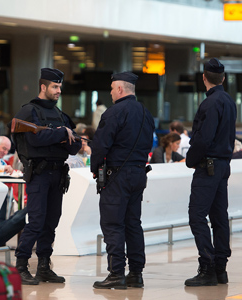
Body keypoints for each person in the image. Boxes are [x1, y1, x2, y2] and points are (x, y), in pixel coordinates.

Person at [11, 68, 81, 285]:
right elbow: (34, 140)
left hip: (57, 174)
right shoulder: (28, 112)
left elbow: (75, 145)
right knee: (36, 221)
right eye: (54, 86)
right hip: (39, 174)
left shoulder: (61, 114)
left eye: (60, 87)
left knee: (51, 222)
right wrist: (61, 134)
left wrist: (59, 135)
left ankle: (43, 266)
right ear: (43, 87)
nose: (59, 91)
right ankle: (21, 266)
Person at [90, 71, 155, 289]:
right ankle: (136, 273)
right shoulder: (146, 113)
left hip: (117, 175)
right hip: (139, 173)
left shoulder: (114, 112)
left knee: (113, 224)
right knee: (133, 223)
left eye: (111, 89)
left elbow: (100, 145)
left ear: (120, 89)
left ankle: (116, 273)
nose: (110, 93)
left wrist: (95, 168)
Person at [184, 58, 237, 287]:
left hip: (208, 167)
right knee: (219, 217)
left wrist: (190, 160)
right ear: (223, 78)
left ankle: (207, 267)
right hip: (223, 166)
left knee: (197, 216)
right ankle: (220, 269)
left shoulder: (209, 104)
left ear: (204, 77)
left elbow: (203, 139)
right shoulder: (229, 101)